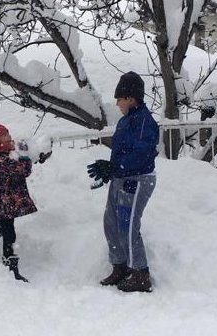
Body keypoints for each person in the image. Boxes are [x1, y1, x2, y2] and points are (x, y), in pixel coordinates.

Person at [87, 71, 159, 293]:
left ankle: (140, 273)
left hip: (138, 179)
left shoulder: (145, 122)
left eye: (119, 98)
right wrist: (109, 168)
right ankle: (120, 266)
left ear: (130, 97)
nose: (117, 103)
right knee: (111, 222)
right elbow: (122, 152)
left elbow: (142, 154)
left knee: (128, 225)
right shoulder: (125, 121)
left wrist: (115, 167)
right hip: (121, 177)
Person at [0, 120, 44, 282]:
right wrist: (26, 156)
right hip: (4, 199)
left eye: (8, 133)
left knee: (6, 226)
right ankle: (11, 268)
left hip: (8, 197)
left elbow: (23, 162)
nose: (10, 136)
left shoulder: (5, 154)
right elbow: (23, 170)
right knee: (9, 233)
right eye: (5, 135)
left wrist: (36, 155)